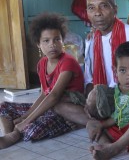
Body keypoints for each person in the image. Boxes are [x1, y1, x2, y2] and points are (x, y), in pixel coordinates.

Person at [0, 12, 87, 149]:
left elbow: (53, 96)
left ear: (62, 40)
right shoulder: (42, 63)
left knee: (33, 130)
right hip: (49, 105)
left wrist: (26, 121)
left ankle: (16, 133)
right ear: (38, 44)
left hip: (64, 110)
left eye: (57, 39)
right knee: (4, 106)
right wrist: (25, 117)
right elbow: (44, 94)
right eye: (46, 41)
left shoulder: (68, 62)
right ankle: (10, 134)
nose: (52, 44)